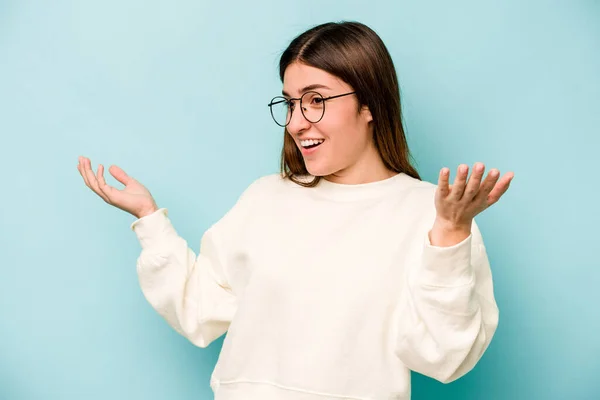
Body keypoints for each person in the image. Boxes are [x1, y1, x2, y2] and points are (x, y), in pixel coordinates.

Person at [77, 21, 514, 400]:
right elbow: (200, 308)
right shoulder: (266, 198)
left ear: (368, 105)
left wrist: (452, 233)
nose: (297, 122)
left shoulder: (431, 213)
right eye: (290, 103)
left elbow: (443, 356)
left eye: (316, 100)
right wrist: (150, 220)